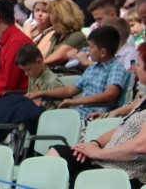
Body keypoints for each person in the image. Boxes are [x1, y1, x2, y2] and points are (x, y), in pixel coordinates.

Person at [47, 42, 146, 188]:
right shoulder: (143, 100)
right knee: (57, 154)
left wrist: (98, 153)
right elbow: (120, 128)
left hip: (125, 171)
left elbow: (140, 147)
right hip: (106, 160)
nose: (134, 68)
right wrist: (93, 144)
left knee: (73, 178)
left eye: (138, 64)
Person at [28, 26, 128, 119]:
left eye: (91, 47)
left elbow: (109, 95)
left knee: (42, 119)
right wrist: (40, 93)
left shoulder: (116, 68)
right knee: (37, 116)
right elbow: (69, 90)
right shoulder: (93, 67)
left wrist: (74, 101)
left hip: (93, 117)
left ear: (103, 52)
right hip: (78, 113)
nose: (88, 50)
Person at [16, 43, 64, 109]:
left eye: (28, 69)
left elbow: (65, 108)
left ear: (39, 61)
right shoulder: (33, 76)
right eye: (24, 70)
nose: (26, 74)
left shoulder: (53, 83)